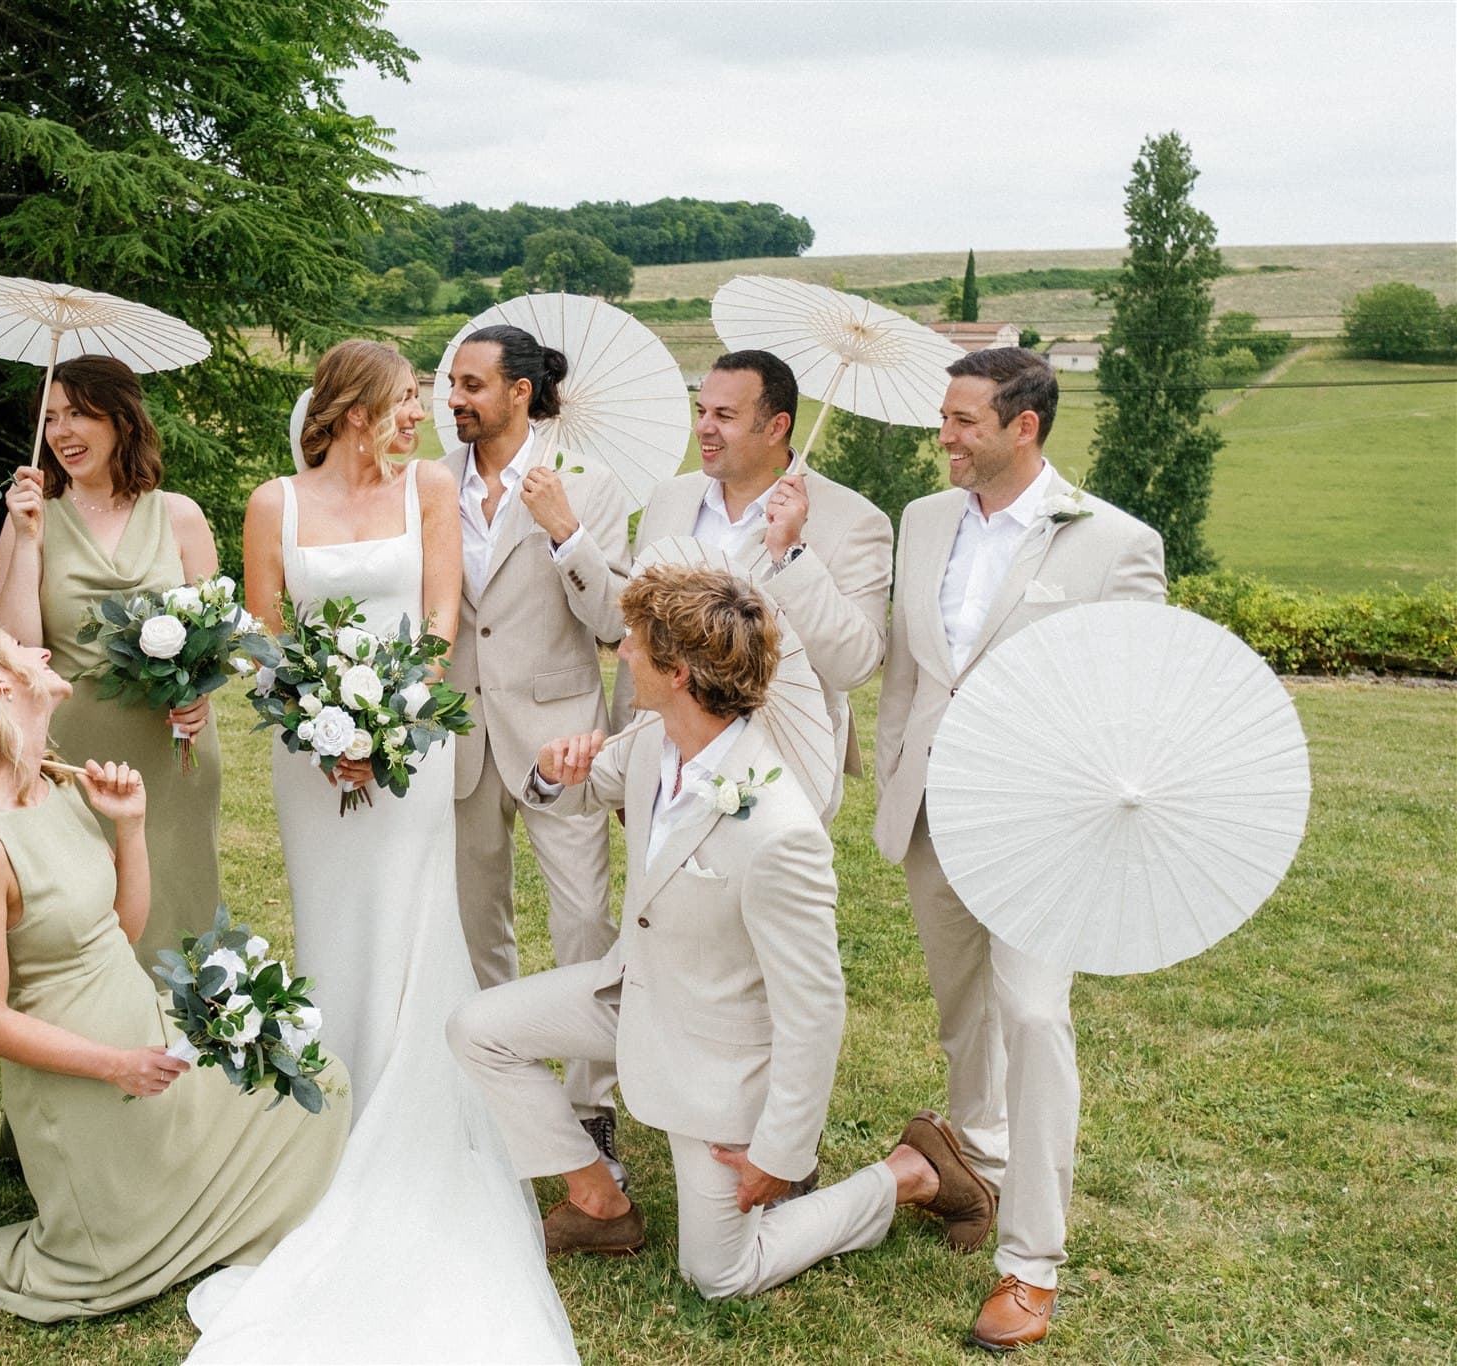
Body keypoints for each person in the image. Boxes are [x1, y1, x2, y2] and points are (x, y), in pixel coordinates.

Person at [185, 340, 577, 1361]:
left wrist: (387, 723)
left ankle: (414, 1132)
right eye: (405, 401)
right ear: (352, 408)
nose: (421, 416)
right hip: (309, 765)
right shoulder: (275, 503)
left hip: (406, 749)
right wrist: (319, 729)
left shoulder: (430, 489)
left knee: (414, 923)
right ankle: (328, 1132)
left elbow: (440, 621)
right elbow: (261, 641)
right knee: (334, 926)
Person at [451, 564, 990, 1301]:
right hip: (631, 995)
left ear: (677, 672)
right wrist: (553, 770)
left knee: (718, 1273)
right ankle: (599, 1200)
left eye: (634, 645)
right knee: (478, 1029)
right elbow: (588, 787)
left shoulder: (780, 831)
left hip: (716, 1061)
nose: (622, 655)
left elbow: (814, 1008)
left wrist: (781, 1148)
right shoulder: (651, 739)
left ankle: (910, 1172)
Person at [0, 624, 348, 1322]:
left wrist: (131, 825)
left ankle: (198, 1212)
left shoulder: (56, 784)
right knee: (107, 1264)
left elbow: (123, 930)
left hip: (146, 1034)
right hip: (86, 1080)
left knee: (316, 1084)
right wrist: (115, 1066)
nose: (44, 651)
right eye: (22, 651)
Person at [875, 347, 1166, 1350]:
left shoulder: (1112, 543)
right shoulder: (921, 523)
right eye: (943, 418)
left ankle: (1029, 1268)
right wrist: (892, 775)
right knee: (964, 1021)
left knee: (1033, 1018)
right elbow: (909, 672)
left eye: (961, 421)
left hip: (1041, 826)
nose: (943, 437)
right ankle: (975, 1175)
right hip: (928, 812)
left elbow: (1131, 692)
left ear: (1021, 427)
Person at [439, 324, 633, 1179]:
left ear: (521, 392)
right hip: (461, 735)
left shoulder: (589, 483)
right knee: (479, 919)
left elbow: (619, 622)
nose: (454, 399)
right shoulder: (430, 485)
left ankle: (591, 1106)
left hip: (563, 740)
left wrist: (567, 535)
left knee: (582, 920)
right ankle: (504, 1091)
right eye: (451, 382)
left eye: (472, 385)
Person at [0, 355, 222, 969]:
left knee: (177, 902)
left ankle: (183, 1041)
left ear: (121, 419)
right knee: (83, 908)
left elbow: (217, 635)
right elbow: (19, 653)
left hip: (173, 748)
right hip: (74, 750)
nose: (62, 432)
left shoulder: (179, 515)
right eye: (51, 417)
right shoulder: (30, 520)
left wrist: (200, 693)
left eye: (78, 414)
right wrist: (27, 539)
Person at [615, 349, 891, 823]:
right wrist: (628, 752)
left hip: (777, 768)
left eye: (724, 415)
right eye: (701, 411)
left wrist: (793, 555)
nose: (704, 427)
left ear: (777, 426)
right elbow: (640, 634)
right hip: (662, 759)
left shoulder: (855, 521)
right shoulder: (667, 500)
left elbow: (855, 664)